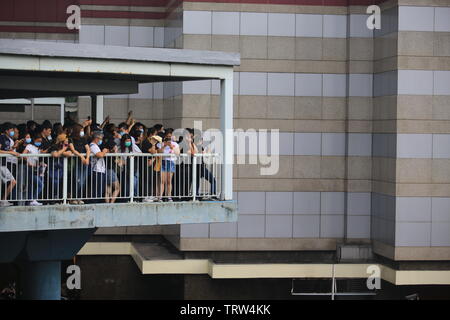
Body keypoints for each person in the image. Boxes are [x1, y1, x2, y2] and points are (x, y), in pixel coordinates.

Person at [68, 124, 90, 204]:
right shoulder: (70, 139)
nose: (82, 132)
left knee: (83, 181)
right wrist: (81, 156)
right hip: (76, 163)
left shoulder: (83, 139)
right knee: (77, 180)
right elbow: (73, 150)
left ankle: (79, 197)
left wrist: (87, 158)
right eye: (81, 130)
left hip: (84, 163)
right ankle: (73, 197)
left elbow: (88, 149)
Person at [48, 134, 73, 202]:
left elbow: (69, 153)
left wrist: (61, 152)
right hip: (53, 169)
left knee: (61, 184)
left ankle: (59, 199)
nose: (67, 142)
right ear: (62, 141)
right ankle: (52, 200)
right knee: (54, 184)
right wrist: (63, 150)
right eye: (66, 141)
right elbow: (55, 154)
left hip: (61, 170)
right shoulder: (54, 146)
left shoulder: (65, 147)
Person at [22, 134, 45, 206]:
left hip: (34, 169)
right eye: (38, 141)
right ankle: (33, 200)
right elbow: (24, 154)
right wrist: (28, 163)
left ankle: (29, 201)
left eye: (40, 141)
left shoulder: (37, 149)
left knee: (31, 186)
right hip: (28, 168)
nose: (39, 143)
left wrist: (41, 164)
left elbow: (36, 160)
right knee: (40, 184)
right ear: (34, 140)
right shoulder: (29, 146)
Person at [157, 131, 179, 202]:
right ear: (165, 137)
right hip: (163, 162)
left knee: (169, 181)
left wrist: (171, 147)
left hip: (171, 162)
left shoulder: (175, 144)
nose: (169, 138)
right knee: (162, 180)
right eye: (167, 137)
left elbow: (177, 153)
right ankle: (160, 197)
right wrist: (164, 145)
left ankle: (169, 196)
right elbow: (159, 152)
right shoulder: (160, 144)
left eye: (170, 136)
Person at [0, 123, 19, 206]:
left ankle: (3, 200)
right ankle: (3, 200)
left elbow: (7, 149)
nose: (12, 132)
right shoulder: (1, 138)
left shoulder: (7, 139)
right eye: (11, 130)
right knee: (13, 181)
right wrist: (11, 152)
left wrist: (14, 147)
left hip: (3, 164)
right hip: (1, 164)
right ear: (6, 131)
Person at [141, 128, 161, 202]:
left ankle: (150, 195)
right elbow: (153, 151)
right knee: (146, 179)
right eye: (155, 134)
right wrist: (153, 144)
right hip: (146, 163)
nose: (156, 136)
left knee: (151, 179)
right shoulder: (146, 142)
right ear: (151, 134)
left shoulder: (153, 143)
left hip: (152, 163)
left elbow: (158, 151)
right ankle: (145, 196)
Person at [89, 131, 108, 203]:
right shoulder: (93, 145)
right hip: (96, 170)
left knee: (100, 189)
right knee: (97, 190)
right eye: (100, 139)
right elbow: (100, 155)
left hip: (100, 170)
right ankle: (94, 203)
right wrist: (104, 151)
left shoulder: (96, 146)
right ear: (96, 138)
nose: (101, 140)